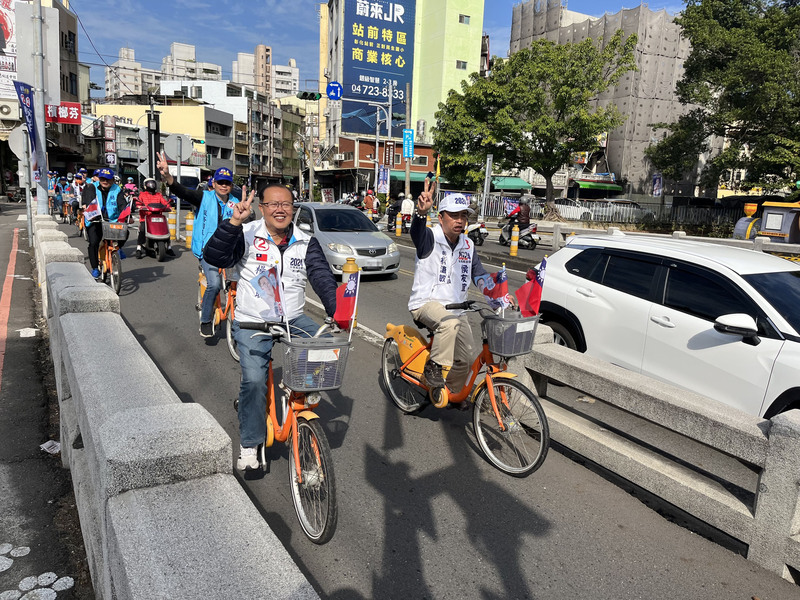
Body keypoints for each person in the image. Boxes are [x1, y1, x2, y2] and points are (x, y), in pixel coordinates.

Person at [203, 183, 338, 471]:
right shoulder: (247, 233)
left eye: (286, 204)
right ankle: (250, 443)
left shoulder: (306, 241)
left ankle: (301, 416)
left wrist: (337, 310)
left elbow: (322, 276)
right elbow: (215, 257)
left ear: (294, 208)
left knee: (324, 354)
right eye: (273, 204)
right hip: (253, 321)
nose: (280, 209)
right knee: (253, 381)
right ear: (261, 208)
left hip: (292, 318)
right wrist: (233, 223)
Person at [408, 183, 495, 403]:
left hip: (457, 309)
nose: (460, 220)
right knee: (448, 324)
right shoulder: (429, 237)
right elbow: (416, 233)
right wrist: (421, 213)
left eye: (463, 216)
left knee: (466, 360)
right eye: (454, 215)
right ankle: (434, 367)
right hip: (426, 303)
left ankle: (449, 394)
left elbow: (479, 274)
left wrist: (497, 296)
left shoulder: (468, 244)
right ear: (441, 218)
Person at [156, 152, 240, 338]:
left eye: (227, 183)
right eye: (220, 182)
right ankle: (205, 321)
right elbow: (182, 191)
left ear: (231, 185)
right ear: (214, 184)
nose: (224, 186)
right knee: (215, 285)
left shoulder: (236, 203)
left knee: (240, 285)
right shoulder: (204, 197)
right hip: (208, 252)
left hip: (229, 253)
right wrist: (168, 176)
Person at [81, 167, 129, 278]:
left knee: (125, 232)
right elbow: (87, 200)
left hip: (112, 220)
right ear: (99, 179)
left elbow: (122, 204)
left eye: (108, 179)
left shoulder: (117, 189)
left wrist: (126, 215)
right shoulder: (91, 187)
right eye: (102, 179)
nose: (105, 182)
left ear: (112, 180)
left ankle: (118, 248)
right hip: (95, 220)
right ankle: (94, 268)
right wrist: (86, 206)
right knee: (93, 243)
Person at [135, 178, 175, 259]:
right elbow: (138, 203)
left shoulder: (158, 195)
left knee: (165, 230)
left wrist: (168, 206)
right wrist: (140, 206)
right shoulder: (142, 195)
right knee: (142, 229)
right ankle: (138, 248)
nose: (151, 185)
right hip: (146, 218)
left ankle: (169, 247)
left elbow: (164, 203)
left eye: (153, 183)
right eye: (149, 183)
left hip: (158, 216)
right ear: (145, 185)